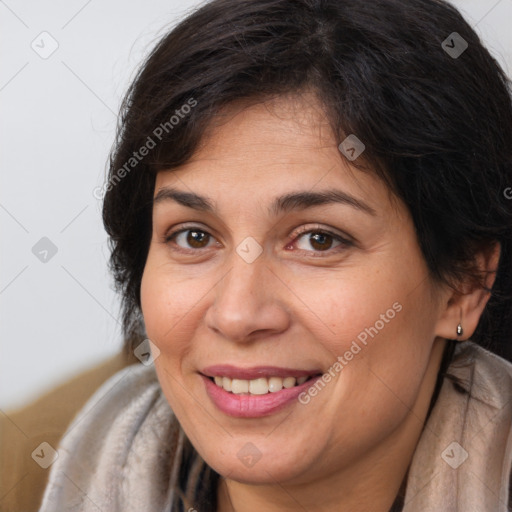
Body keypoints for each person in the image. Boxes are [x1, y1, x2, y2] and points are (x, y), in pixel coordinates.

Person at [38, 0, 512, 510]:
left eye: (318, 240)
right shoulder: (26, 469)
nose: (238, 314)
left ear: (465, 284)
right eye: (194, 237)